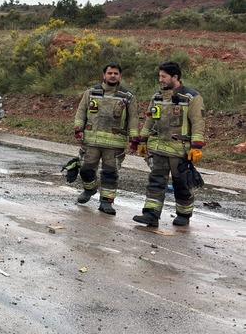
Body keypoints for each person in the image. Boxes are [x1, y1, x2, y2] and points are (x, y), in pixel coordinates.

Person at [133, 62, 206, 228]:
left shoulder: (191, 98)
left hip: (180, 150)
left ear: (175, 77)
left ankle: (184, 214)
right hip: (158, 148)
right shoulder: (157, 97)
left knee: (181, 183)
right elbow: (149, 120)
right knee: (156, 181)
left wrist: (196, 147)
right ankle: (150, 215)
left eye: (164, 76)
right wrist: (142, 140)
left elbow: (198, 123)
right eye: (159, 76)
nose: (160, 80)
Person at [72, 63, 139, 215]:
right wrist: (78, 129)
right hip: (91, 141)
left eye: (116, 73)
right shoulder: (91, 92)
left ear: (120, 77)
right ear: (104, 75)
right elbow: (81, 112)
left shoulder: (127, 97)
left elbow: (133, 119)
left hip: (115, 143)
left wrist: (134, 139)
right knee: (86, 169)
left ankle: (106, 202)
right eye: (110, 73)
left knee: (110, 173)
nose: (113, 75)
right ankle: (89, 189)